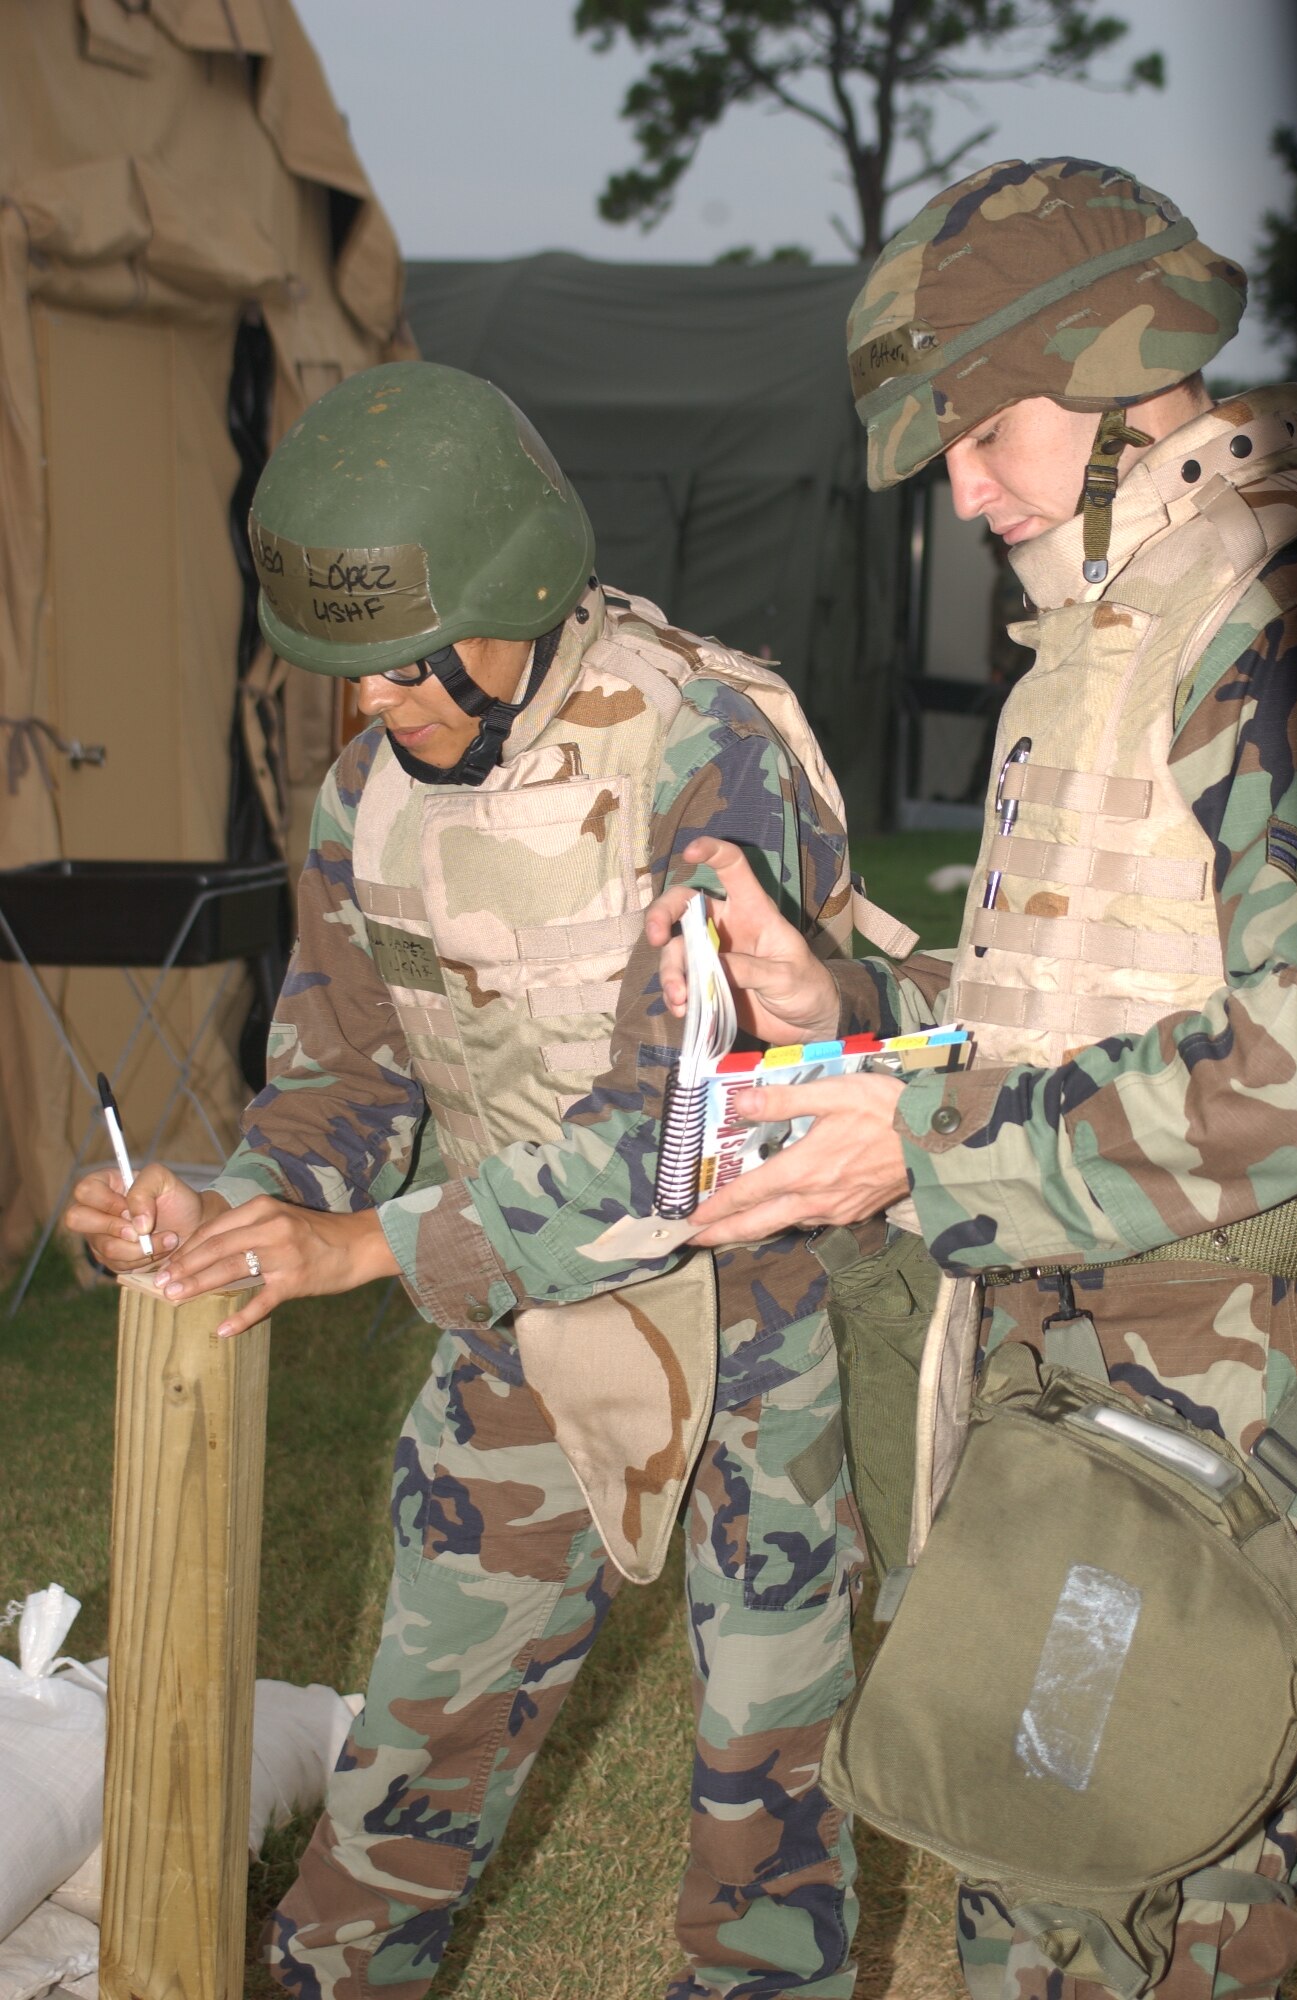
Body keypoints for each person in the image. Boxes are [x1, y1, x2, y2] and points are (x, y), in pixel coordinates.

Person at [65, 359, 894, 2000]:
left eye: (399, 667)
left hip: (767, 1310)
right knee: (407, 1775)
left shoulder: (704, 744)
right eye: (343, 674)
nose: (371, 706)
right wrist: (231, 1208)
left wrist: (355, 1249)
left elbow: (696, 1133)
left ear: (512, 593)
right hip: (519, 1306)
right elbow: (348, 1077)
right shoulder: (367, 798)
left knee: (767, 1798)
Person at [647, 156, 1297, 2000]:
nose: (958, 478)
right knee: (1044, 1869)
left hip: (1233, 1433)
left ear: (1115, 373)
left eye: (983, 426)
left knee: (1174, 1896)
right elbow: (1069, 1018)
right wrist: (847, 995)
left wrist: (921, 1156)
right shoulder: (1104, 634)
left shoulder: (1260, 628)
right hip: (1082, 1400)